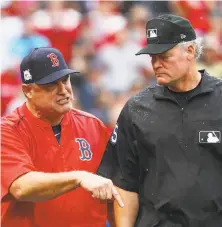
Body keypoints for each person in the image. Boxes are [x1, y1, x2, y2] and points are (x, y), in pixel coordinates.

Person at [98, 14, 222, 227]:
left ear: (190, 51)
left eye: (164, 56)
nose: (156, 64)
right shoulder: (137, 108)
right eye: (152, 57)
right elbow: (124, 184)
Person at [1, 47, 124, 227]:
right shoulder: (8, 131)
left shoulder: (94, 126)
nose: (64, 90)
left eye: (65, 80)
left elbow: (116, 192)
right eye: (51, 85)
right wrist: (79, 178)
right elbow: (21, 187)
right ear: (28, 90)